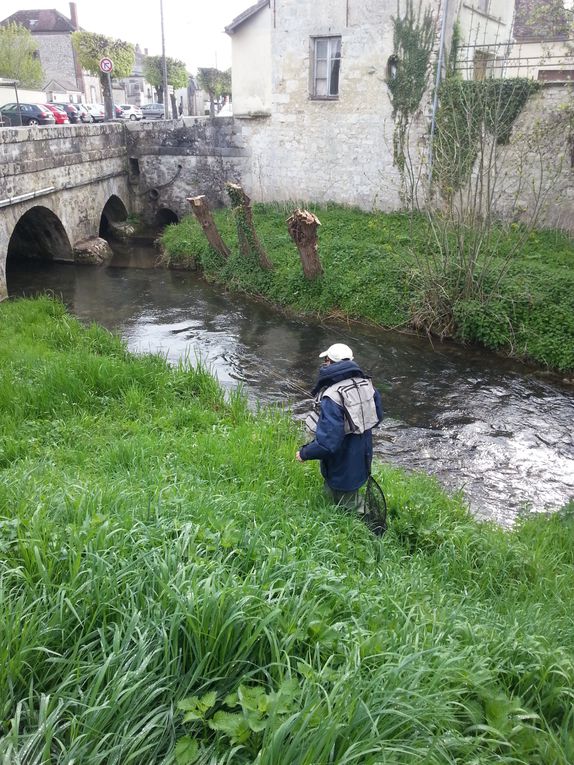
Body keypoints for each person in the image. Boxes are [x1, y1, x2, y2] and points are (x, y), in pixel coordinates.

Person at [296, 342, 383, 511]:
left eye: (326, 360)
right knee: (345, 491)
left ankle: (364, 528)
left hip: (342, 460)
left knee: (349, 503)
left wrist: (304, 453)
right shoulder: (368, 385)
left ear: (329, 362)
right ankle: (333, 514)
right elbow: (378, 418)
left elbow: (328, 444)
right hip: (363, 453)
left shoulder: (332, 396)